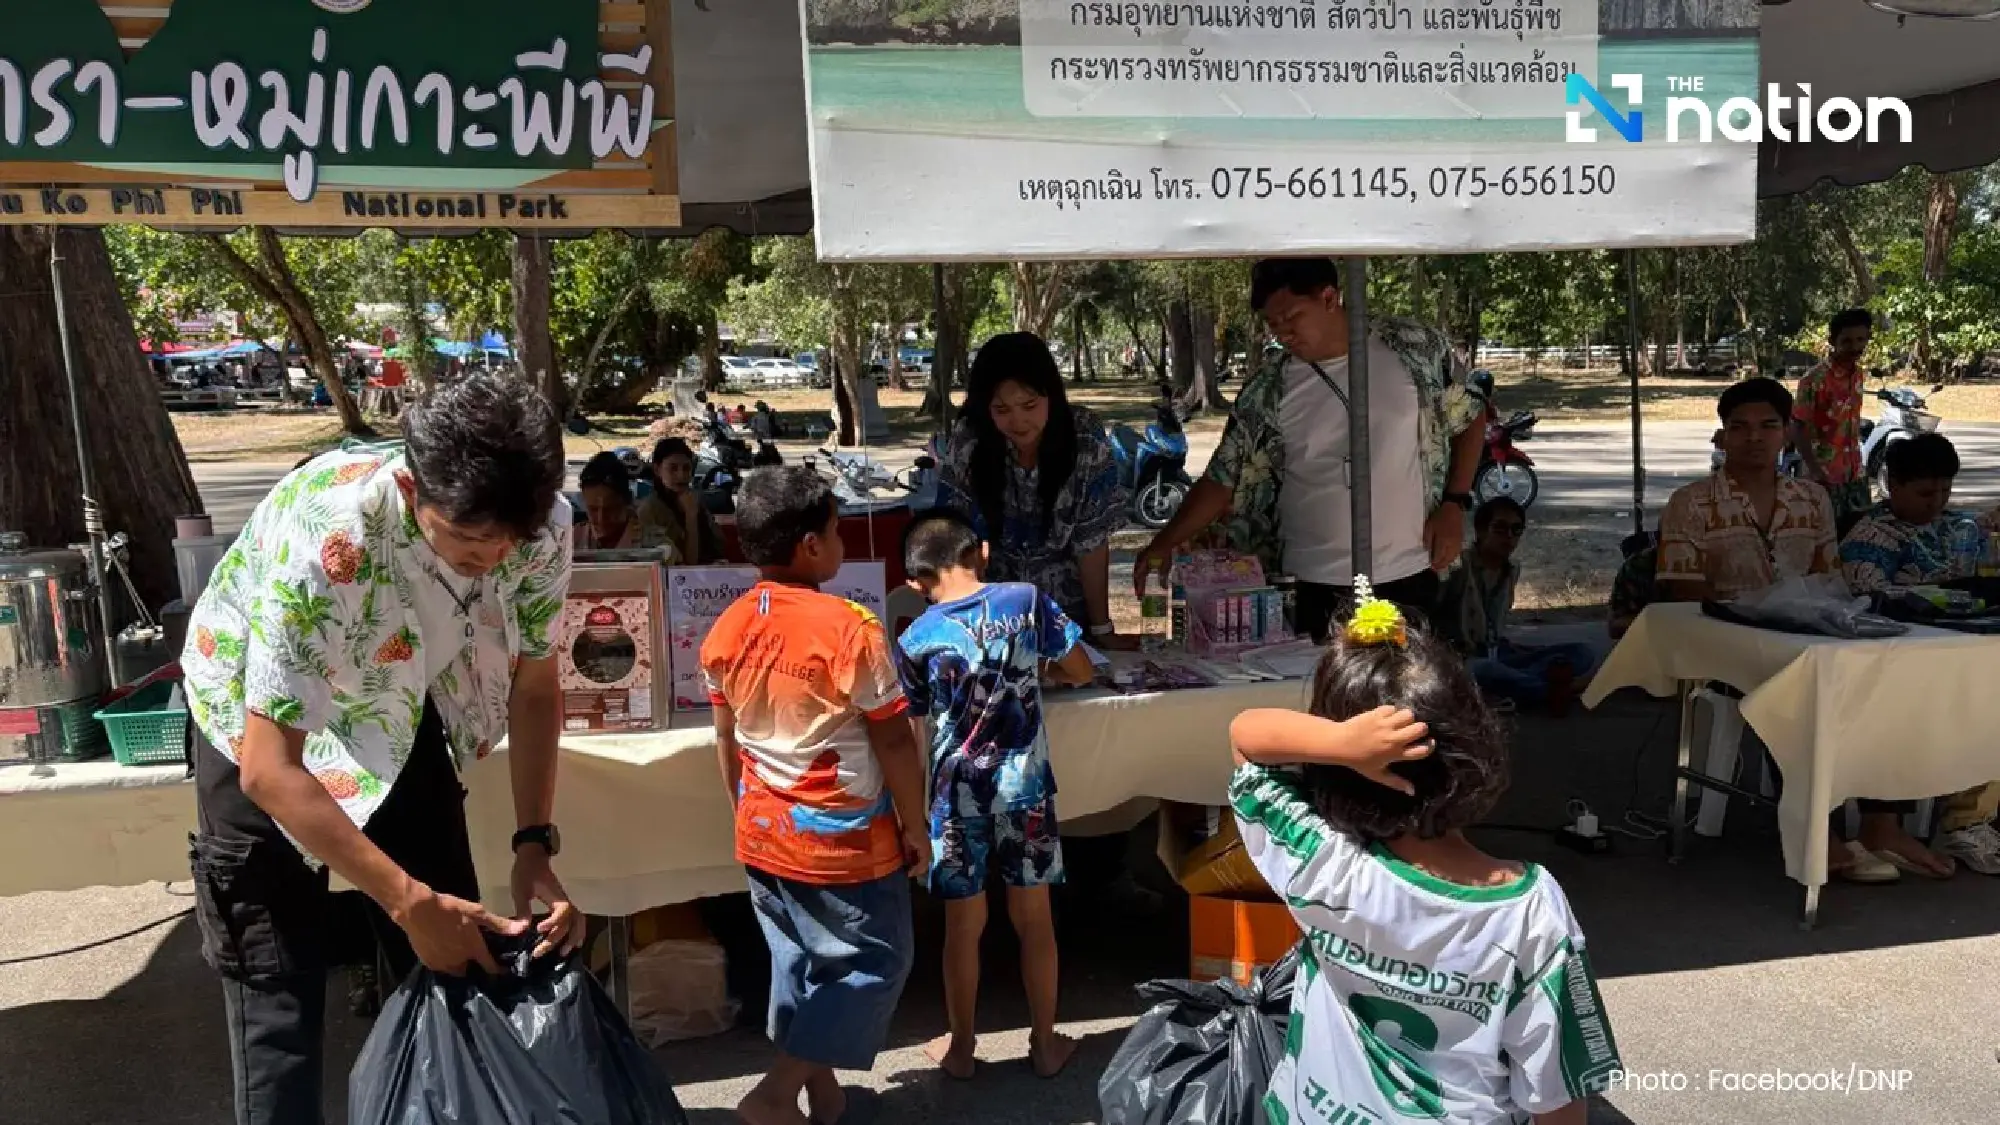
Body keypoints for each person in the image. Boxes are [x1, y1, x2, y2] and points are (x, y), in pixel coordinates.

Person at [180, 374, 583, 1125]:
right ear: (408, 488)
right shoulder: (329, 537)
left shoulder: (544, 525)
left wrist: (534, 842)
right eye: (469, 540)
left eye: (511, 541)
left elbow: (535, 687)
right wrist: (403, 899)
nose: (494, 557)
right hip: (255, 719)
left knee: (462, 959)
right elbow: (270, 768)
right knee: (276, 988)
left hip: (396, 701)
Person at [1230, 586, 1618, 1125]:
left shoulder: (1319, 862)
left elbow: (1245, 736)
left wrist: (1341, 744)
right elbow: (1557, 1094)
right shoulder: (1529, 915)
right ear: (1475, 745)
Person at [699, 466, 930, 1125]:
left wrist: (742, 811)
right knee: (876, 962)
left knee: (797, 960)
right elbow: (893, 739)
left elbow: (725, 739)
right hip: (842, 839)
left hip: (762, 828)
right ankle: (775, 1094)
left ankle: (821, 1094)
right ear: (809, 546)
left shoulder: (726, 627)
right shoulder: (851, 626)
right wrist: (915, 824)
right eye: (835, 530)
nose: (840, 543)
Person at [1658, 378, 1923, 883]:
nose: (1754, 438)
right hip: (1727, 646)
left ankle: (1881, 823)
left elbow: (1830, 581)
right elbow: (1682, 591)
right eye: (1740, 428)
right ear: (1722, 436)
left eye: (1768, 426)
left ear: (1786, 433)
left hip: (1811, 637)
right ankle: (1816, 833)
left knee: (1889, 677)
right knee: (1797, 695)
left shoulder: (1812, 498)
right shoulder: (1690, 503)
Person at [1135, 258, 1487, 639]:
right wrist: (1164, 541)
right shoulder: (1268, 389)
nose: (1283, 333)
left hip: (1413, 571)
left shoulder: (1413, 349)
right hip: (1308, 584)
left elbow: (1473, 414)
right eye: (1273, 324)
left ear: (1329, 298)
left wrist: (1455, 503)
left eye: (1291, 318)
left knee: (1410, 678)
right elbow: (1222, 478)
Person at [894, 511, 1096, 1082]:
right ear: (981, 552)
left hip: (954, 796)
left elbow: (913, 732)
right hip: (1024, 789)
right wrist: (1041, 673)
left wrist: (913, 819)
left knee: (962, 928)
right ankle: (1045, 1044)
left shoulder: (914, 638)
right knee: (1035, 919)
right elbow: (1080, 669)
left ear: (915, 582)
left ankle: (961, 1049)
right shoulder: (1025, 601)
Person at [1839, 433, 2000, 876]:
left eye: (1946, 491)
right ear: (1893, 485)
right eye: (1926, 493)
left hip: (1962, 646)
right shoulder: (1871, 536)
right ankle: (1965, 820)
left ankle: (1978, 812)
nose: (1938, 502)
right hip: (1901, 657)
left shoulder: (1957, 526)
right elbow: (1869, 596)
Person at [938, 331, 1130, 646]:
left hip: (1067, 623)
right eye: (1002, 410)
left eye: (1029, 405)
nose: (1019, 421)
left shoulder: (1085, 438)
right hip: (990, 623)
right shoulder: (969, 440)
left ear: (1051, 394)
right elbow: (953, 540)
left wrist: (1101, 629)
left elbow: (1092, 544)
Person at [1439, 497, 1597, 714]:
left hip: (1498, 652)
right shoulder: (1458, 567)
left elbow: (1495, 627)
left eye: (1516, 530)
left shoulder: (1512, 570)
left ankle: (1522, 685)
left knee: (1582, 652)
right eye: (1500, 529)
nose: (1509, 537)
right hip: (1463, 656)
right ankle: (1548, 689)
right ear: (1481, 531)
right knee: (1482, 670)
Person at [1792, 309, 1875, 535]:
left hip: (1854, 474)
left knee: (1858, 537)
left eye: (1860, 339)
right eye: (1846, 341)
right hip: (1823, 476)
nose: (1855, 347)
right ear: (1832, 341)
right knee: (1824, 540)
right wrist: (1815, 470)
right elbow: (1797, 426)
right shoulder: (1814, 379)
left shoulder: (1858, 375)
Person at [636, 437, 727, 564]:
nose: (681, 475)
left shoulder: (694, 500)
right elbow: (688, 563)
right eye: (673, 468)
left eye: (686, 468)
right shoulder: (649, 509)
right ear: (657, 470)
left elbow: (717, 545)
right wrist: (690, 517)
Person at [574, 450, 671, 554]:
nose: (601, 519)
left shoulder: (657, 547)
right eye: (593, 509)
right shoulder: (571, 539)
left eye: (610, 509)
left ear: (628, 501)